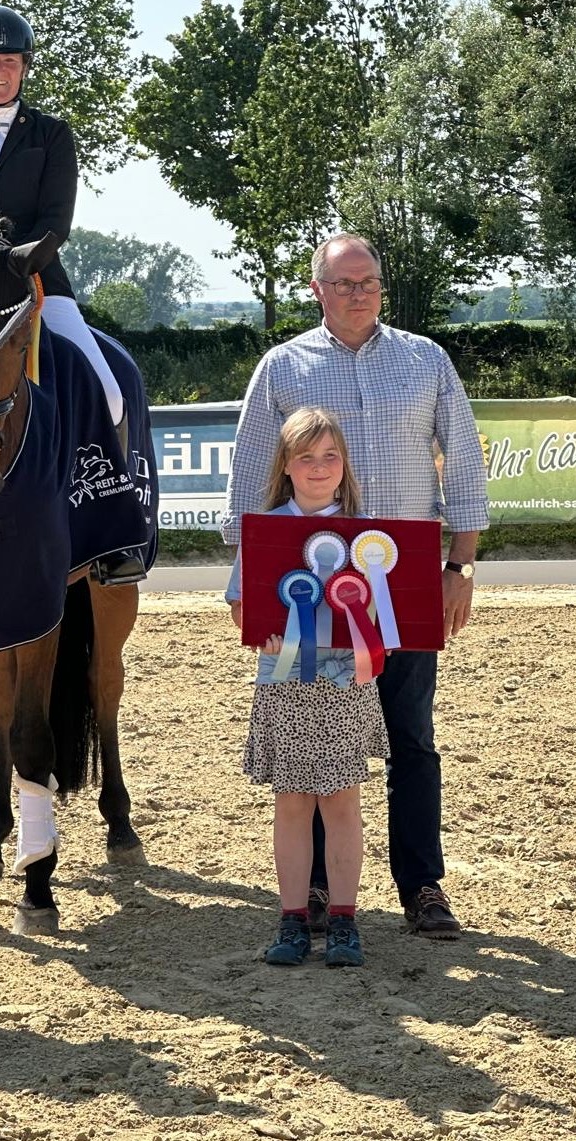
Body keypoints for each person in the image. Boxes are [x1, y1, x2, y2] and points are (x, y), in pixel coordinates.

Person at [222, 233, 489, 940]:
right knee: (311, 736)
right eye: (342, 283)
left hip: (401, 586)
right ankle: (312, 890)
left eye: (367, 280)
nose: (358, 292)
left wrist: (460, 564)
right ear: (317, 290)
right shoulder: (283, 365)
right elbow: (251, 474)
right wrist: (243, 582)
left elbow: (462, 462)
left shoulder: (425, 360)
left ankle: (421, 884)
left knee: (412, 735)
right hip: (305, 594)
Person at [0, 3, 144, 584]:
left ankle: (110, 529)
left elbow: (57, 218)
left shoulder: (52, 134)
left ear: (23, 69)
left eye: (9, 63)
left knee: (107, 390)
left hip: (36, 283)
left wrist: (23, 258)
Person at [227, 408, 388, 966]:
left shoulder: (371, 537)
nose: (319, 468)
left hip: (347, 681)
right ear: (286, 467)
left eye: (330, 456)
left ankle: (344, 921)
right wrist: (262, 635)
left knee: (343, 803)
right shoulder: (264, 530)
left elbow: (386, 619)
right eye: (306, 457)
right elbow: (240, 607)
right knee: (292, 804)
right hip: (285, 680)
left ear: (344, 466)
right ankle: (293, 920)